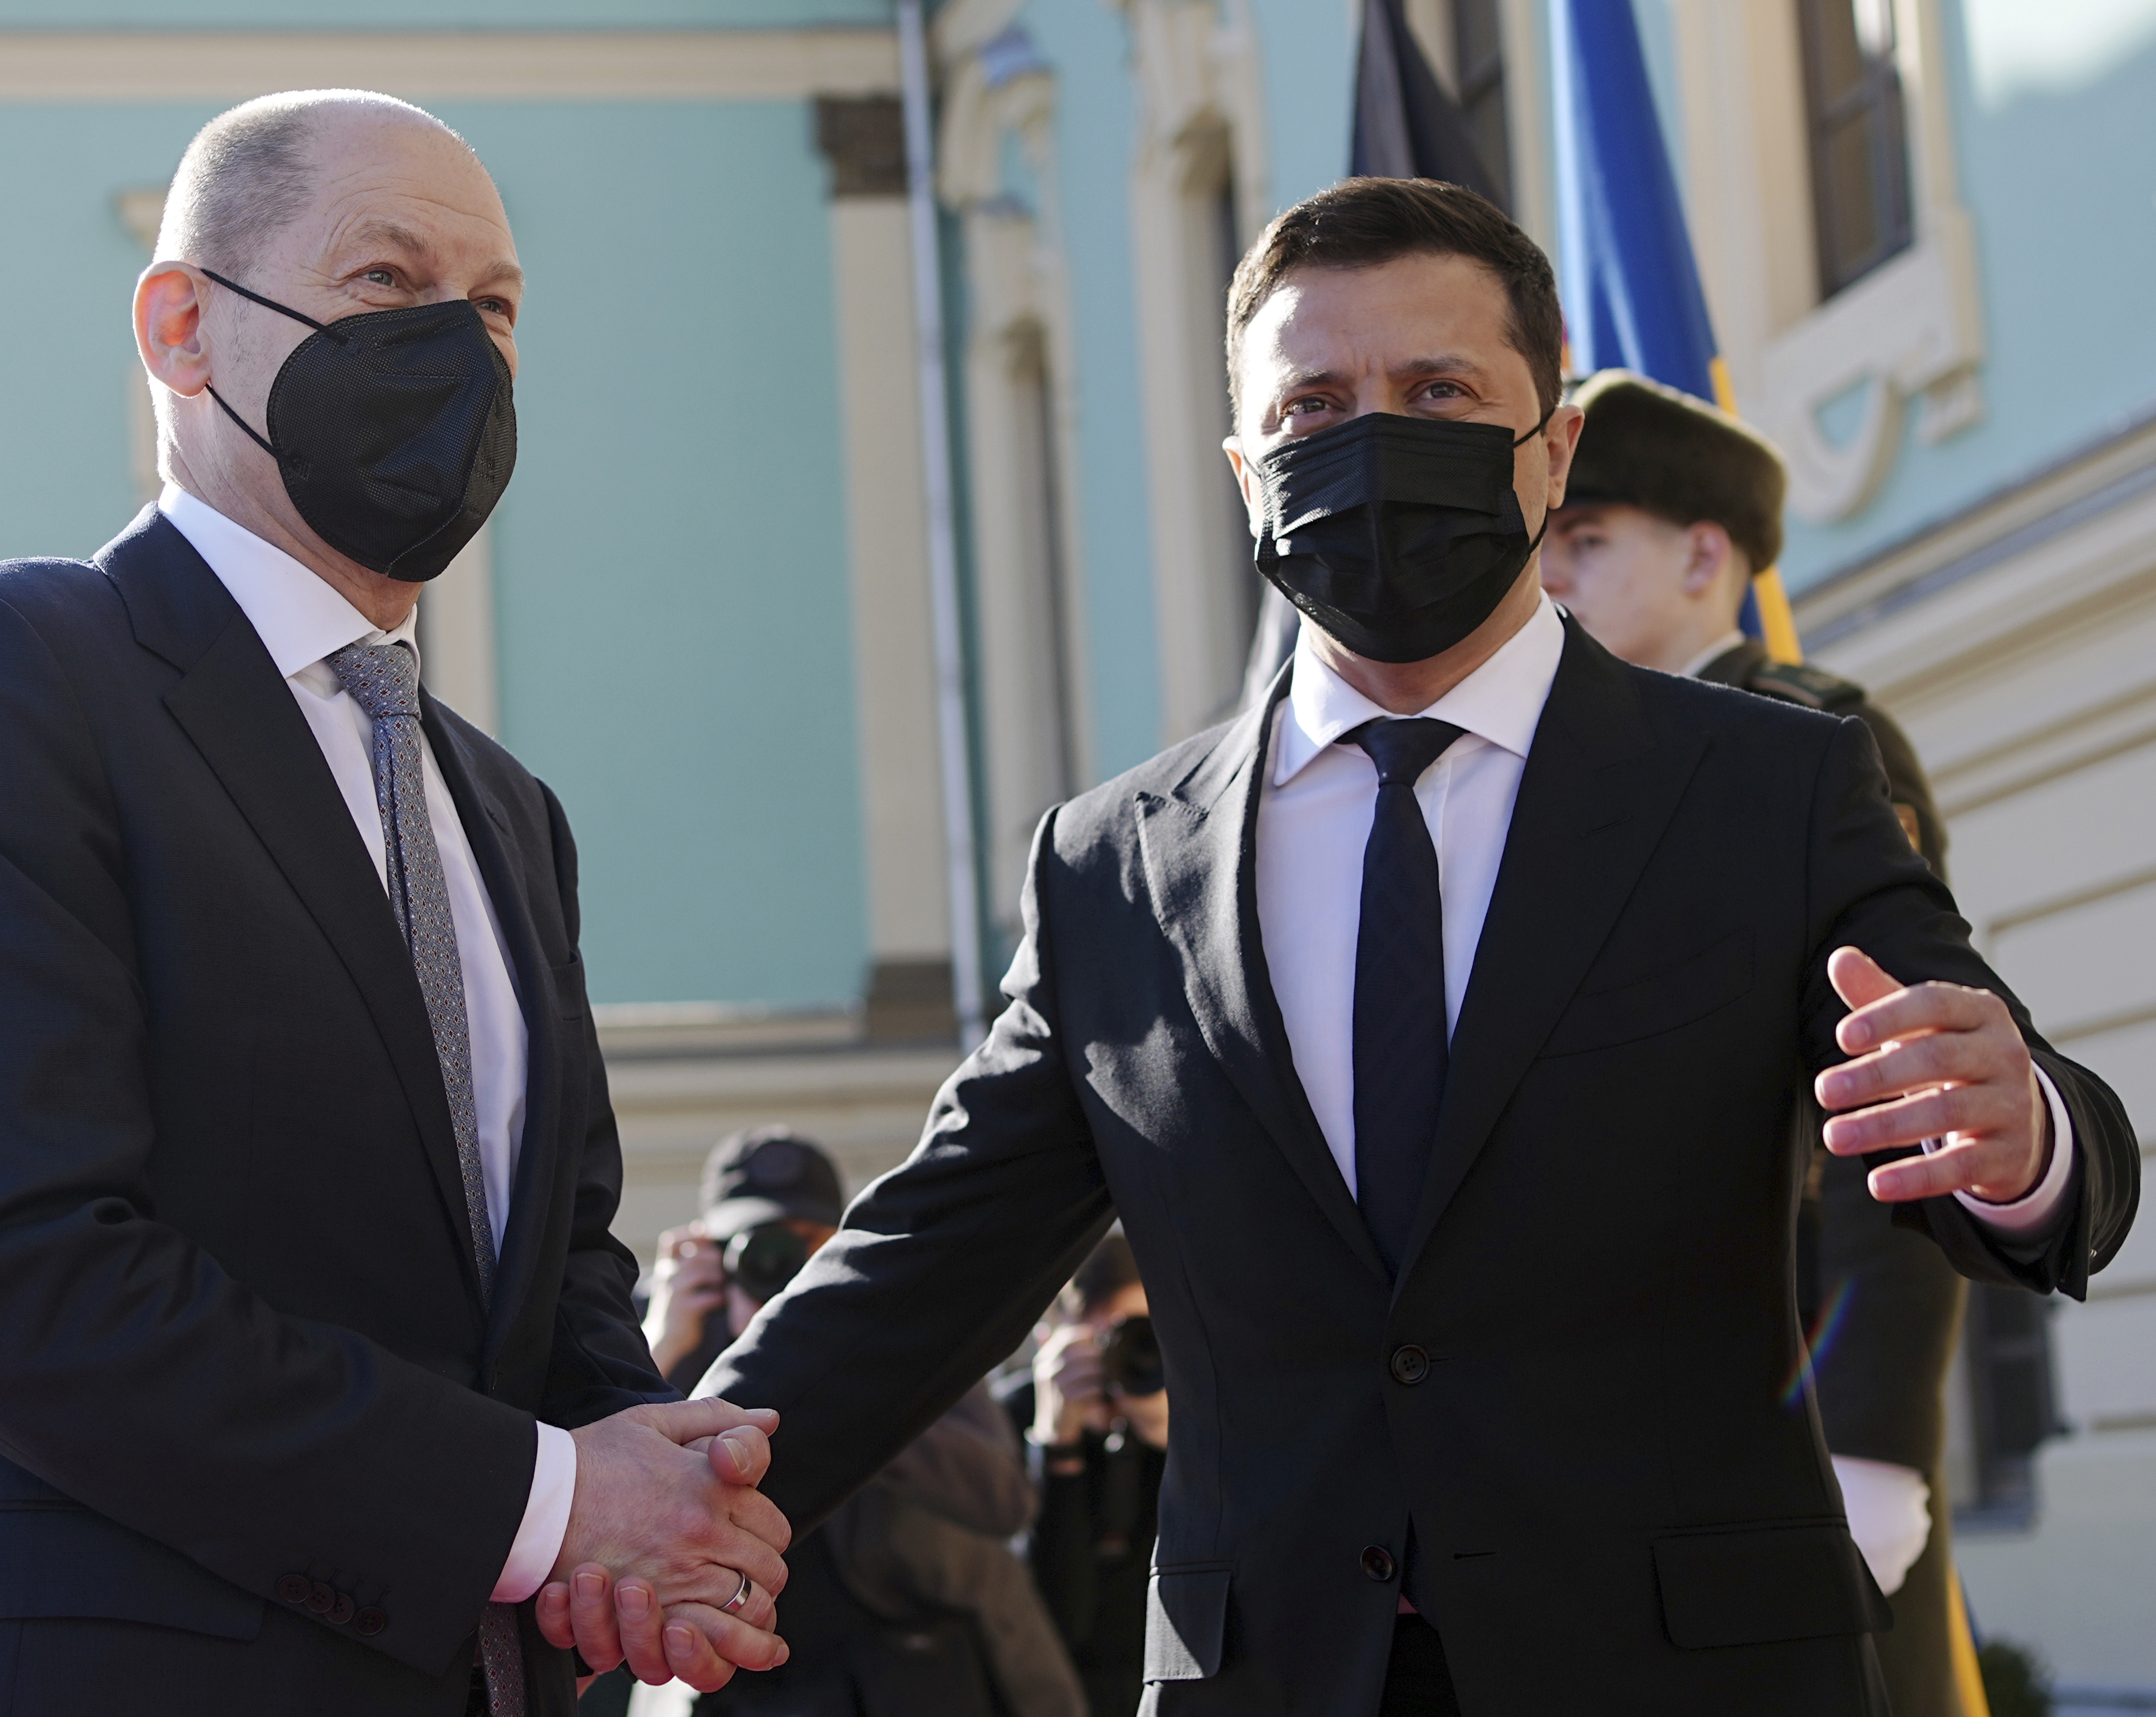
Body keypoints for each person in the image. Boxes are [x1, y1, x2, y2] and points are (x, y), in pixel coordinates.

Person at [643, 177, 2139, 1714]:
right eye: (1311, 404)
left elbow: (2015, 1124)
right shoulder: (1109, 867)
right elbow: (928, 1253)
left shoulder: (1767, 787)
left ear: (1549, 450)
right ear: (1244, 473)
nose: (1372, 440)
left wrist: (2016, 1130)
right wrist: (656, 1480)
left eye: (1437, 391)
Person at [0, 90, 790, 1717]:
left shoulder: (503, 809)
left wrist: (662, 1504)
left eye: (492, 308)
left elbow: (550, 1275)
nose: (455, 352)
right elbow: (21, 1279)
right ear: (182, 329)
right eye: (387, 284)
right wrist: (551, 1504)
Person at [1542, 369, 1975, 1717]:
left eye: (1585, 540)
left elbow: (1903, 1097)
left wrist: (1874, 1444)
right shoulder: (1558, 783)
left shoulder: (1812, 746)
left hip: (1780, 1411)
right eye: (1538, 541)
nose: (1544, 576)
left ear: (1704, 553)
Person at [628, 1129, 1081, 1717]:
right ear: (712, 1255)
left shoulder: (902, 1328)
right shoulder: (674, 1339)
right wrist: (663, 1346)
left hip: (912, 1674)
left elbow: (1003, 1500)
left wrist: (853, 1376)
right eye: (757, 1248)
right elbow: (601, 1492)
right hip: (738, 1690)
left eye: (806, 1246)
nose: (782, 1270)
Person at [998, 1231, 1166, 1717]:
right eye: (1104, 1340)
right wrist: (1055, 1448)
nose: (1123, 1357)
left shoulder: (1194, 1421)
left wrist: (1168, 1441)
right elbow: (1053, 1619)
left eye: (1141, 1337)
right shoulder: (1014, 1417)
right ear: (1052, 1339)